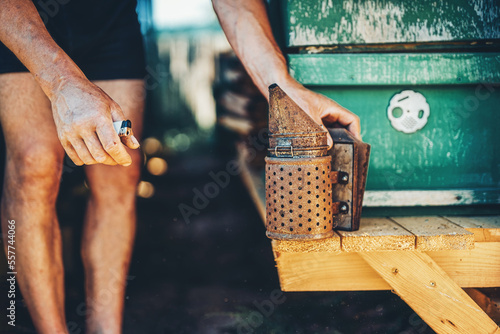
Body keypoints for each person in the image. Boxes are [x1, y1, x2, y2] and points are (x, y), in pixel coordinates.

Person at [0, 0, 360, 333]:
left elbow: (235, 4)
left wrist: (285, 90)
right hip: (23, 16)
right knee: (35, 163)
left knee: (119, 165)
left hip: (109, 21)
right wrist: (62, 81)